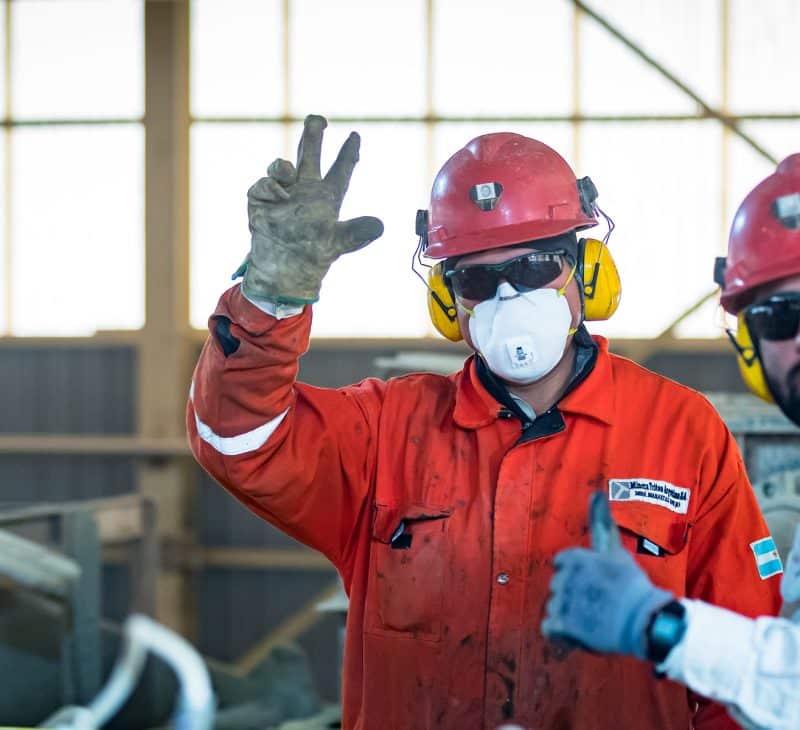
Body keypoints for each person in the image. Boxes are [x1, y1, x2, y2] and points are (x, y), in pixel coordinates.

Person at [187, 115, 780, 729]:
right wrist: (271, 299)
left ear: (586, 271)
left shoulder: (681, 431)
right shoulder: (385, 431)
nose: (507, 297)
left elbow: (742, 670)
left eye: (533, 268)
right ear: (449, 300)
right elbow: (236, 439)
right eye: (476, 275)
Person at [543, 154, 800, 730]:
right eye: (783, 316)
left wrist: (656, 623)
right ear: (752, 344)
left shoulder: (681, 424)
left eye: (534, 269)